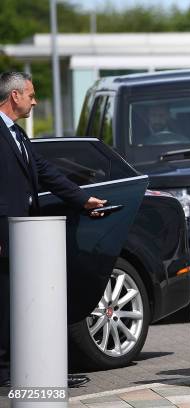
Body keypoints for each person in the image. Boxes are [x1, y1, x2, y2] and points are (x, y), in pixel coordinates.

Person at [0, 72, 107, 388]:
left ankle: (31, 365)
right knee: (6, 303)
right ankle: (5, 370)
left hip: (25, 235)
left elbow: (45, 172)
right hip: (5, 235)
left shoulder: (17, 135)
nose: (35, 101)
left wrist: (83, 198)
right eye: (31, 95)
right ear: (15, 96)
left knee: (22, 302)